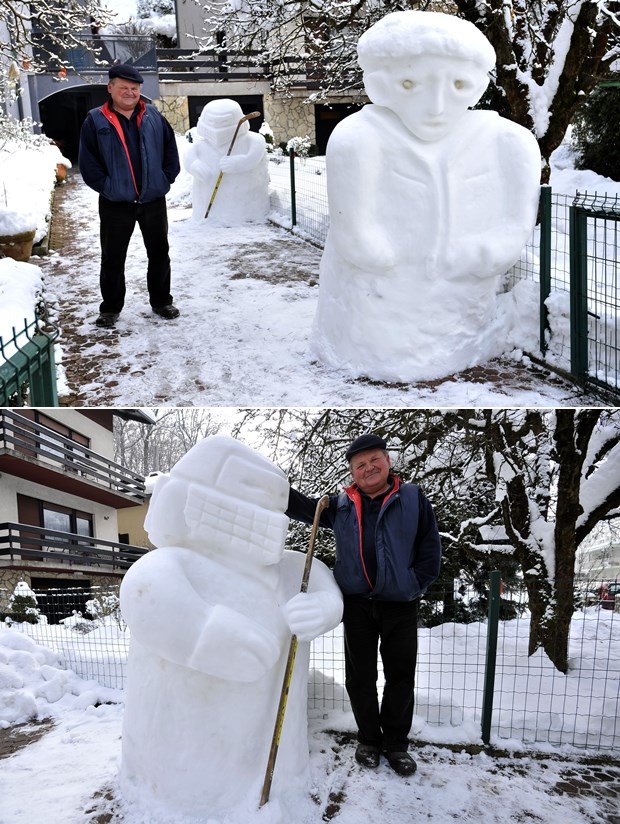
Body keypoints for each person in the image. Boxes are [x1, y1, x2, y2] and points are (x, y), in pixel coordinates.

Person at [312, 10, 541, 382]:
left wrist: (492, 250)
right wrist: (374, 252)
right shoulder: (360, 137)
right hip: (381, 301)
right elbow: (354, 229)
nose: (436, 107)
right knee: (384, 338)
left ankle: (463, 346)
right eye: (409, 84)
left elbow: (515, 221)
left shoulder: (505, 140)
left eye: (458, 85)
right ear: (379, 84)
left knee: (456, 334)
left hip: (461, 297)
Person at [286, 433, 442, 776]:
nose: (369, 468)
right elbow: (302, 508)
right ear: (352, 472)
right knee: (360, 678)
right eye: (360, 464)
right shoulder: (340, 505)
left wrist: (414, 584)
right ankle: (369, 740)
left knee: (400, 676)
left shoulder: (412, 499)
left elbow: (431, 548)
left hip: (400, 604)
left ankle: (396, 745)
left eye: (374, 460)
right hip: (357, 606)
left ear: (388, 461)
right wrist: (271, 487)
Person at [78, 63, 181, 328]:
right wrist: (109, 187)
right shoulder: (95, 120)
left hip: (152, 200)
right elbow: (88, 163)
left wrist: (165, 178)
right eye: (124, 87)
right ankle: (110, 308)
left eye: (134, 88)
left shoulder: (153, 116)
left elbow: (170, 150)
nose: (130, 93)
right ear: (110, 88)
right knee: (113, 257)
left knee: (159, 252)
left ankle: (162, 301)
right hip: (115, 202)